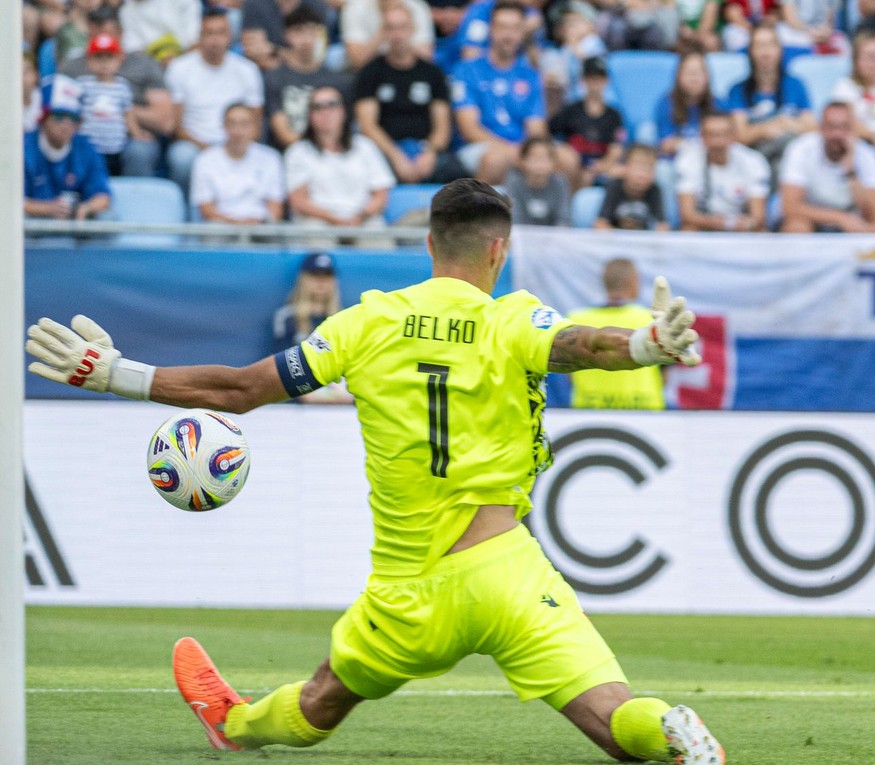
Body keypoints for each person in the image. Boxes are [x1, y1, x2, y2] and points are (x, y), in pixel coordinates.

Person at [23, 178, 724, 765]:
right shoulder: (514, 318)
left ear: (428, 245)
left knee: (324, 696)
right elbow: (578, 345)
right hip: (510, 571)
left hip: (410, 590)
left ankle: (232, 724)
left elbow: (240, 390)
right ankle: (668, 731)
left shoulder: (368, 322)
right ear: (499, 251)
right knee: (613, 714)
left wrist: (116, 373)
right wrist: (644, 341)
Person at [354, 3, 464, 185]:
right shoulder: (370, 72)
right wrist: (396, 156)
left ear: (412, 29)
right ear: (383, 32)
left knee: (460, 176)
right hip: (385, 151)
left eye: (402, 27)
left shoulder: (432, 72)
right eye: (390, 28)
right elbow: (368, 126)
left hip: (425, 150)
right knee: (365, 167)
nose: (397, 35)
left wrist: (429, 153)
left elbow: (442, 127)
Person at [452, 2, 560, 185]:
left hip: (524, 147)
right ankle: (478, 211)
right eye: (502, 27)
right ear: (491, 29)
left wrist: (530, 152)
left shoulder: (530, 74)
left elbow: (536, 128)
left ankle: (557, 212)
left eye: (515, 28)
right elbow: (469, 129)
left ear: (522, 33)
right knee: (495, 161)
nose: (508, 35)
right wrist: (514, 151)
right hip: (481, 145)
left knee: (568, 159)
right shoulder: (466, 70)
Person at [164, 8, 266, 196]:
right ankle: (187, 217)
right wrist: (211, 151)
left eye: (221, 33)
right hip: (194, 144)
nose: (215, 40)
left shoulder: (248, 70)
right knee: (181, 157)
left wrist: (231, 148)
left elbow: (255, 124)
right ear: (199, 36)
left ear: (230, 36)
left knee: (264, 158)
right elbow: (177, 128)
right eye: (209, 33)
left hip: (237, 141)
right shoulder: (180, 68)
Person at [285, 85, 395, 232]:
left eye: (332, 105)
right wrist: (334, 219)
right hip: (317, 220)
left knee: (377, 236)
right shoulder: (298, 151)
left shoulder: (365, 146)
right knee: (315, 233)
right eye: (317, 107)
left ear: (343, 111)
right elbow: (298, 200)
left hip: (363, 219)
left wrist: (360, 217)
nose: (325, 112)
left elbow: (381, 194)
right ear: (309, 114)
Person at [779, 101, 875, 233]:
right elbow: (789, 207)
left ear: (854, 129)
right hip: (814, 221)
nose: (837, 134)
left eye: (843, 127)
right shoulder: (801, 148)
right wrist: (839, 218)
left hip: (853, 226)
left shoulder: (867, 155)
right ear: (821, 127)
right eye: (831, 127)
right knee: (796, 227)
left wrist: (851, 171)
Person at [567, 259, 666, 410]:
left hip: (589, 409)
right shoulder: (650, 319)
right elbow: (665, 373)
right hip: (644, 410)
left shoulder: (576, 320)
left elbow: (568, 373)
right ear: (634, 282)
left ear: (605, 282)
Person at [23, 75, 112, 221]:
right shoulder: (23, 147)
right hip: (30, 233)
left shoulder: (86, 148)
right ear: (43, 118)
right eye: (59, 116)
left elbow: (103, 195)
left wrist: (87, 208)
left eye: (73, 118)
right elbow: (8, 201)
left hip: (73, 230)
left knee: (108, 219)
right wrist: (46, 209)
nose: (66, 124)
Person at [264, 6, 353, 151]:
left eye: (311, 31)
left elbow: (343, 130)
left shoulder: (337, 81)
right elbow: (283, 133)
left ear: (320, 34)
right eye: (298, 31)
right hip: (290, 155)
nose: (305, 39)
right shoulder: (274, 79)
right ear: (286, 34)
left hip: (331, 155)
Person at [726, 25, 817, 166]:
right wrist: (767, 127)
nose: (766, 52)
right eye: (760, 46)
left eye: (770, 45)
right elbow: (740, 135)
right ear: (750, 52)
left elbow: (811, 129)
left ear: (780, 50)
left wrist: (786, 123)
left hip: (789, 156)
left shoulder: (796, 85)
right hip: (755, 157)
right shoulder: (738, 90)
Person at [272, 252, 355, 405]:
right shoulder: (287, 318)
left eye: (327, 275)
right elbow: (280, 365)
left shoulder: (345, 319)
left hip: (340, 402)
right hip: (296, 404)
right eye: (315, 274)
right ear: (303, 278)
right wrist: (304, 393)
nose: (321, 281)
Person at [73, 33, 157, 177]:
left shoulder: (122, 86)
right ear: (88, 61)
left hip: (115, 146)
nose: (104, 62)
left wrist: (137, 133)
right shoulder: (83, 84)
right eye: (98, 57)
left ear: (119, 60)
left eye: (109, 57)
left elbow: (128, 113)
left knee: (115, 178)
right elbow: (76, 113)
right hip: (89, 145)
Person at [191, 103, 286, 225]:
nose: (237, 131)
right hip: (221, 228)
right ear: (223, 126)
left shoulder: (271, 158)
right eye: (232, 123)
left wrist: (259, 223)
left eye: (244, 124)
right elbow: (206, 209)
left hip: (260, 227)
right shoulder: (205, 160)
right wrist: (236, 224)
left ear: (255, 127)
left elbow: (275, 206)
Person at [676, 110, 771, 231]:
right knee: (688, 229)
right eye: (712, 134)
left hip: (740, 225)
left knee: (761, 231)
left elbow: (758, 216)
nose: (718, 142)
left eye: (723, 134)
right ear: (702, 137)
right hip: (704, 224)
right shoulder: (688, 160)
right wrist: (722, 223)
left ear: (734, 135)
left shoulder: (753, 161)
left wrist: (748, 223)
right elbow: (687, 215)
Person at [549, 56, 626, 187]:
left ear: (606, 81)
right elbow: (548, 133)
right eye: (591, 79)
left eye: (600, 79)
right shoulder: (571, 110)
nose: (595, 83)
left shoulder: (614, 115)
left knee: (621, 172)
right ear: (583, 80)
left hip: (602, 166)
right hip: (574, 169)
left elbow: (616, 149)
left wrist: (601, 166)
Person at [656, 51, 718, 158]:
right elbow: (666, 144)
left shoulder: (718, 103)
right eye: (689, 73)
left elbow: (726, 139)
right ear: (678, 77)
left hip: (710, 160)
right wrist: (697, 145)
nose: (694, 79)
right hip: (676, 159)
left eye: (698, 73)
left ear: (707, 77)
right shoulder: (666, 103)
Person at [596, 145, 670, 230]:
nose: (642, 174)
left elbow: (663, 225)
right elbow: (600, 223)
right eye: (638, 168)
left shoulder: (654, 190)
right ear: (625, 167)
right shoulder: (614, 187)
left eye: (649, 169)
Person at [503, 137, 573, 226]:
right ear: (522, 161)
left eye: (545, 159)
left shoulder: (560, 182)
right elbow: (514, 217)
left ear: (554, 162)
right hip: (521, 235)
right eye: (535, 158)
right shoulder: (514, 182)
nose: (540, 164)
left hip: (554, 236)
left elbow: (563, 217)